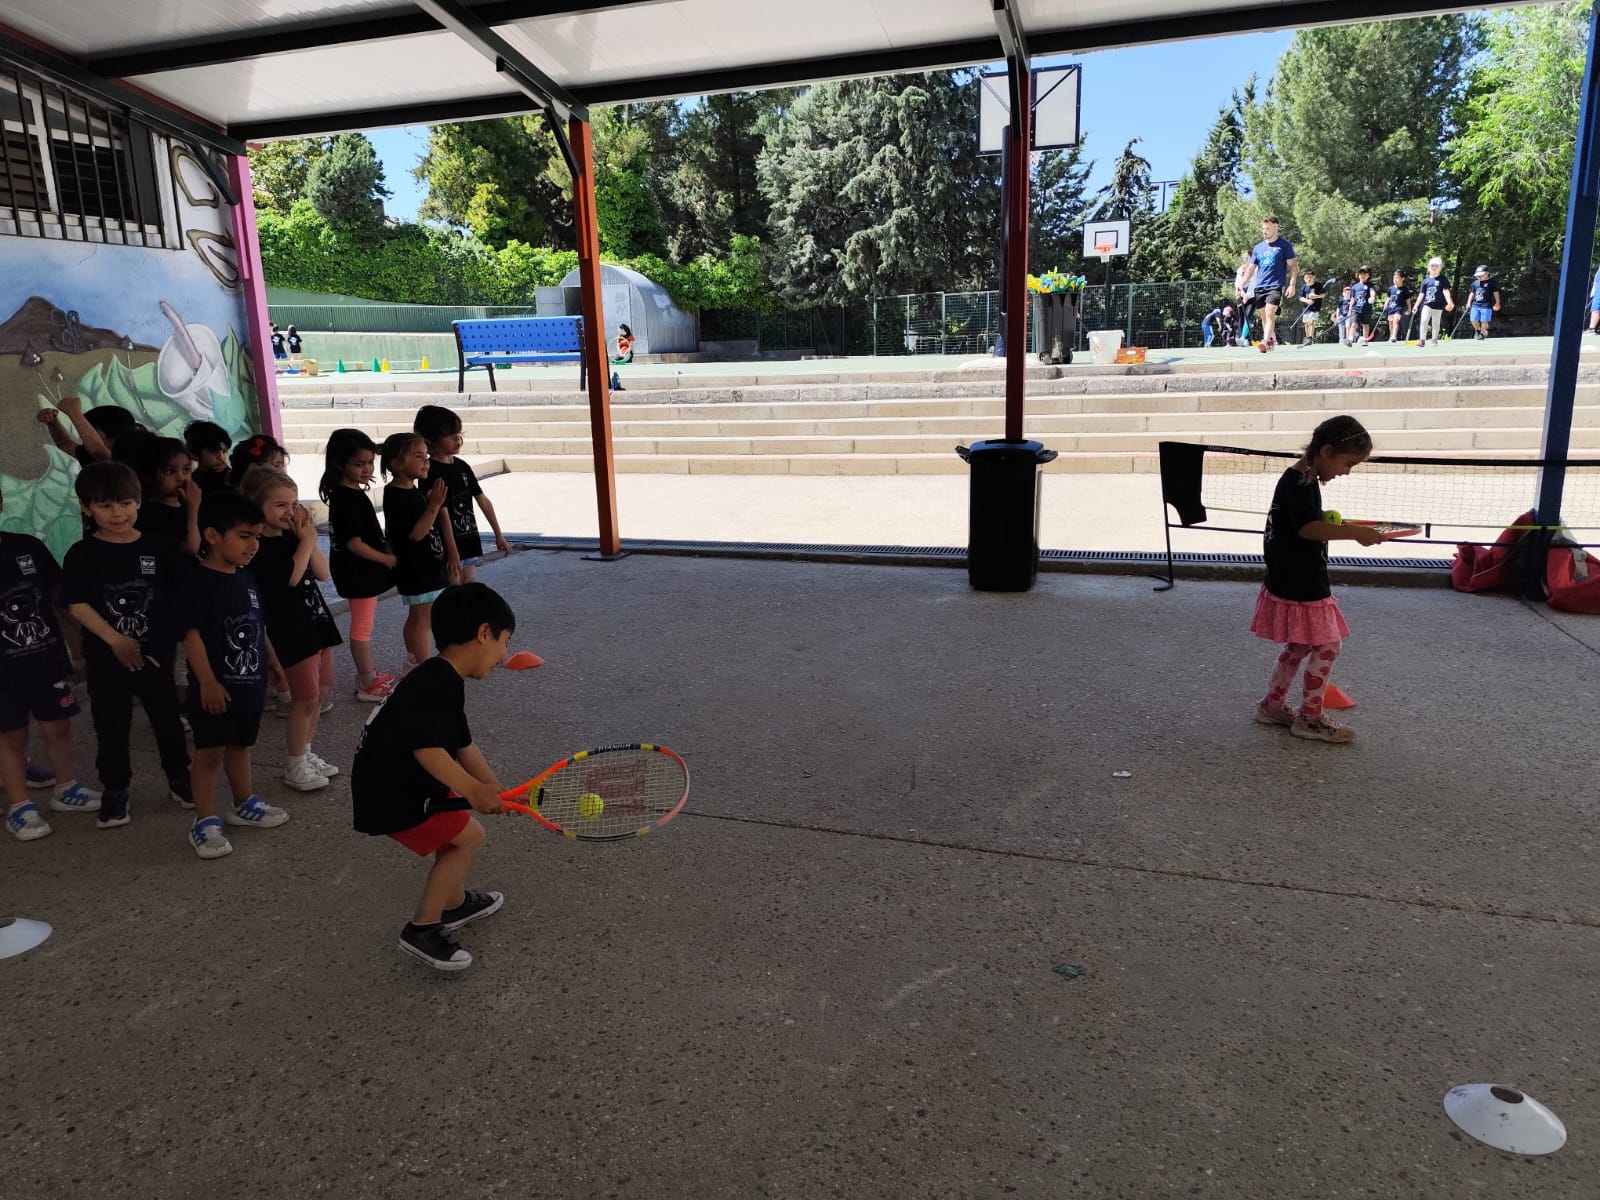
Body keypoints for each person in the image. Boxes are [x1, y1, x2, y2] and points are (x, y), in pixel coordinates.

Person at [350, 582, 512, 971]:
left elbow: (463, 745)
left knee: (456, 836)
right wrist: (474, 791)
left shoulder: (440, 676)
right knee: (468, 838)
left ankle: (453, 903)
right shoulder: (438, 683)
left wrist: (496, 789)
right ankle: (422, 927)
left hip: (400, 784)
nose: (504, 655)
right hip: (393, 793)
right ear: (484, 633)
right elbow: (429, 751)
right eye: (504, 641)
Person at [61, 462, 192, 828]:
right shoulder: (82, 553)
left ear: (138, 501)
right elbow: (77, 604)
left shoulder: (159, 548)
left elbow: (180, 596)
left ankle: (180, 778)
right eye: (105, 505)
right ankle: (116, 789)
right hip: (106, 659)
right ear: (86, 507)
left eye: (125, 502)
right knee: (111, 727)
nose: (117, 513)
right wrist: (116, 640)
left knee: (168, 721)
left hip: (157, 657)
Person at [1251, 416, 1384, 744]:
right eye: (1348, 463)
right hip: (1302, 582)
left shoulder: (1301, 478)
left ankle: (1272, 705)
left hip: (1289, 576)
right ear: (1326, 451)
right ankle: (1310, 718)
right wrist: (1353, 533)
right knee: (1328, 644)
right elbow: (1308, 528)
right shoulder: (1299, 483)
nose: (1346, 472)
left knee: (1299, 644)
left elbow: (1304, 522)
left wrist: (1339, 526)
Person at [178, 490, 290, 859]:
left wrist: (273, 661)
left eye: (257, 536)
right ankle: (204, 821)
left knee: (241, 745)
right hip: (215, 689)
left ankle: (244, 803)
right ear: (212, 535)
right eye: (244, 536)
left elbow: (256, 626)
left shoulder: (247, 578)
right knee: (210, 752)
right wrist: (207, 681)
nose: (253, 545)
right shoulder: (197, 581)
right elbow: (191, 634)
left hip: (250, 685)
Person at [0, 482, 101, 841]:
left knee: (58, 728)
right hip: (4, 675)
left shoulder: (26, 547)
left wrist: (81, 637)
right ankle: (20, 806)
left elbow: (61, 596)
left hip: (47, 661)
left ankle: (67, 788)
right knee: (11, 737)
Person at [239, 465, 344, 793]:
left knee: (320, 692)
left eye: (294, 503)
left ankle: (307, 751)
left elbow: (322, 573)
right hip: (292, 630)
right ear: (257, 506)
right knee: (305, 698)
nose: (290, 511)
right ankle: (295, 762)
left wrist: (306, 538)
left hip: (316, 623)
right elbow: (292, 577)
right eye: (280, 505)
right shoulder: (259, 547)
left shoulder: (292, 538)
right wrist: (308, 539)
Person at [321, 429, 397, 702]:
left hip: (357, 572)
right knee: (362, 628)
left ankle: (366, 675)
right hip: (357, 573)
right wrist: (385, 558)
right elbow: (354, 543)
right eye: (359, 463)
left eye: (369, 462)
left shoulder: (348, 493)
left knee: (363, 625)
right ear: (340, 464)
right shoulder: (346, 498)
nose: (367, 469)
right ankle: (367, 681)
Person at [415, 405, 511, 585]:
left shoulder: (462, 466)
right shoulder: (430, 471)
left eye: (459, 433)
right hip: (446, 545)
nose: (457, 439)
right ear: (432, 440)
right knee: (454, 589)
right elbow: (441, 513)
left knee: (469, 584)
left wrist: (498, 534)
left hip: (468, 540)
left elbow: (483, 500)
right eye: (449, 435)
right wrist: (452, 552)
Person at [381, 432, 449, 671]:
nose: (426, 461)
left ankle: (413, 660)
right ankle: (424, 666)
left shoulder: (409, 489)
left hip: (425, 567)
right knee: (423, 618)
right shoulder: (397, 494)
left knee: (418, 615)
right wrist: (434, 505)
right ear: (397, 463)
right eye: (419, 456)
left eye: (426, 456)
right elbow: (416, 534)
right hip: (417, 570)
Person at [134, 436, 201, 555]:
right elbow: (191, 548)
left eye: (186, 469)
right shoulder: (149, 514)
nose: (181, 477)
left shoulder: (183, 504)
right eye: (170, 471)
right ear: (148, 476)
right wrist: (193, 508)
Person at [1242, 216, 1297, 349]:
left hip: (1276, 285)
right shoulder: (1258, 247)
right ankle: (1271, 340)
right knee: (1264, 316)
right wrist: (1241, 284)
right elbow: (1251, 268)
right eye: (1263, 228)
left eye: (1267, 228)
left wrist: (1292, 284)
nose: (1264, 231)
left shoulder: (1284, 245)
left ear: (1275, 228)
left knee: (1270, 312)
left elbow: (1294, 266)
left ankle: (1265, 341)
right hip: (1260, 286)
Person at [1410, 258, 1455, 348]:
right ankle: (1422, 340)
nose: (1434, 267)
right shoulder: (1425, 281)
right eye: (1432, 266)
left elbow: (1446, 291)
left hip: (1438, 306)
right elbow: (1421, 294)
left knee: (1436, 323)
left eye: (1436, 266)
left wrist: (1449, 302)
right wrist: (1416, 305)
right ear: (1428, 267)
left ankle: (1434, 340)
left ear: (1440, 267)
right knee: (1424, 320)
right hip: (1427, 304)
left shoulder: (1443, 279)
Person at [185, 420, 233, 494]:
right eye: (214, 451)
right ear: (194, 454)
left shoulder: (232, 475)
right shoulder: (193, 486)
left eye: (224, 452)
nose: (221, 457)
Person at [1468, 265, 1502, 340]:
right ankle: (1477, 330)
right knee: (1473, 320)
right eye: (1478, 276)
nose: (1479, 277)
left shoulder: (1491, 283)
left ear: (1487, 273)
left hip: (1486, 306)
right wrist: (1468, 303)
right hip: (1475, 305)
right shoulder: (1475, 283)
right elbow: (1472, 293)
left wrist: (1497, 302)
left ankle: (1482, 334)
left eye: (1481, 275)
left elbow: (1496, 293)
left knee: (1484, 320)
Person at [1347, 266, 1377, 345]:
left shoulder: (1370, 285)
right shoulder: (1354, 287)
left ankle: (1365, 340)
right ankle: (1350, 340)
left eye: (1365, 273)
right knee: (1354, 324)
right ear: (1358, 275)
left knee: (1365, 325)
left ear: (1368, 275)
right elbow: (1352, 299)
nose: (1362, 275)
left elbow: (1372, 292)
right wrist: (1349, 310)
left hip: (1366, 309)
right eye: (1361, 273)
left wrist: (1372, 297)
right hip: (1356, 309)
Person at [1232, 251, 1256, 344]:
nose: (1245, 258)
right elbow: (1237, 283)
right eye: (1244, 256)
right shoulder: (1240, 270)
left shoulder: (1255, 269)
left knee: (1248, 315)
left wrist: (1248, 295)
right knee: (1241, 317)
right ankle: (1240, 338)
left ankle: (1244, 337)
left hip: (1252, 295)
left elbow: (1254, 283)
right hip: (1241, 295)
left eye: (1247, 256)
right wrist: (1241, 293)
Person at [1384, 270, 1413, 343]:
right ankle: (1391, 336)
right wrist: (1386, 304)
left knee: (1396, 321)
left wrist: (1409, 308)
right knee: (1390, 322)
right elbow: (1388, 298)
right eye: (1394, 278)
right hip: (1391, 308)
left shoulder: (1405, 289)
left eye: (1397, 278)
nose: (1395, 279)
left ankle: (1394, 336)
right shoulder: (1390, 289)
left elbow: (1408, 300)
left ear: (1402, 279)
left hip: (1399, 308)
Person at [1298, 271, 1325, 343]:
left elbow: (1323, 295)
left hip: (1315, 308)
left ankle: (1311, 337)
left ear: (1314, 277)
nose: (1308, 279)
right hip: (1306, 308)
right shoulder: (1304, 287)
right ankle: (1307, 337)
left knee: (1311, 321)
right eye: (1306, 278)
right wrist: (1307, 301)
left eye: (1310, 277)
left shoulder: (1318, 285)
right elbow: (1300, 297)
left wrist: (1315, 296)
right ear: (1304, 279)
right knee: (1306, 323)